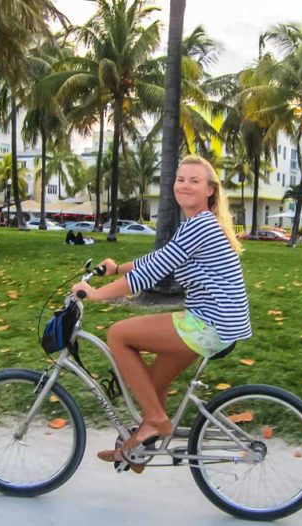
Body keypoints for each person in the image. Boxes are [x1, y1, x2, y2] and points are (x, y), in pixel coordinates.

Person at [70, 155, 252, 465]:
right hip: (217, 325)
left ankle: (156, 422)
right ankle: (143, 450)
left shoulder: (201, 226)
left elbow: (151, 273)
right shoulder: (197, 224)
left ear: (209, 190)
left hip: (209, 325)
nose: (185, 185)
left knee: (118, 334)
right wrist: (116, 269)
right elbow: (161, 259)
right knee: (152, 387)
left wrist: (97, 294)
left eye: (194, 181)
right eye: (181, 179)